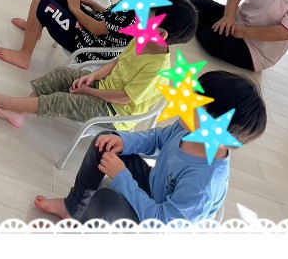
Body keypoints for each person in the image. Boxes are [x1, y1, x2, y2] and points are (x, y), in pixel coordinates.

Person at [33, 70, 267, 224]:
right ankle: (71, 207)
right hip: (153, 190)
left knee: (105, 203)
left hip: (159, 225)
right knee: (105, 141)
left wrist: (122, 177)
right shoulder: (189, 127)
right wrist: (125, 141)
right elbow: (157, 139)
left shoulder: (203, 183)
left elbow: (161, 223)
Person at [0, 0, 197, 128]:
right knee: (61, 74)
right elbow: (117, 63)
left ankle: (9, 103)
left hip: (114, 112)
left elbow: (123, 98)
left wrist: (90, 91)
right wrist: (92, 77)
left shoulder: (157, 69)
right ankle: (20, 112)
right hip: (104, 87)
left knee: (62, 101)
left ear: (161, 33)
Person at [0, 0, 181, 70]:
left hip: (86, 42)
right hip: (90, 27)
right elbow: (110, 19)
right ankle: (34, 27)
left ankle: (24, 56)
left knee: (39, 1)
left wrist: (76, 9)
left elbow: (97, 29)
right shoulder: (141, 3)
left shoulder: (136, 14)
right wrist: (91, 3)